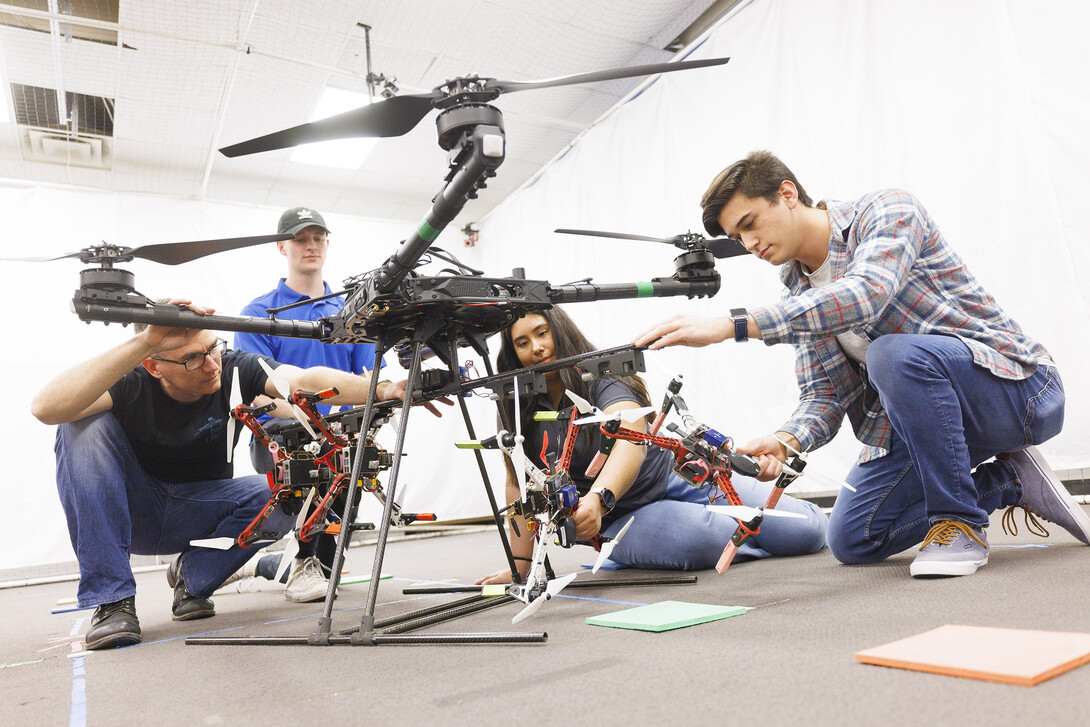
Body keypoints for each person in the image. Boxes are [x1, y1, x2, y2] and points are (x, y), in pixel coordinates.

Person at [635, 150, 1089, 578]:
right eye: (737, 237)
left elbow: (866, 295)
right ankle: (1011, 479)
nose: (749, 243)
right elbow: (825, 395)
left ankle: (961, 524)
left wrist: (732, 324)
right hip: (934, 427)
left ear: (788, 194)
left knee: (891, 352)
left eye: (750, 223)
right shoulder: (798, 292)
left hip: (1021, 390)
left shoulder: (886, 211)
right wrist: (785, 439)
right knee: (853, 537)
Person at [31, 300, 410, 650]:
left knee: (290, 484)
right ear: (153, 364)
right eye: (193, 359)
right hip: (134, 513)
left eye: (214, 348)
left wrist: (384, 389)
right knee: (78, 425)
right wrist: (145, 340)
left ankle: (192, 578)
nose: (212, 365)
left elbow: (305, 381)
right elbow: (46, 407)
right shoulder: (131, 379)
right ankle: (112, 602)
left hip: (198, 509)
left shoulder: (232, 369)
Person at [476, 306, 827, 586]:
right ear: (513, 353)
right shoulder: (515, 406)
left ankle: (752, 540)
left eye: (542, 333)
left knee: (806, 532)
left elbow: (629, 437)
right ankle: (640, 548)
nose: (536, 348)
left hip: (678, 478)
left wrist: (599, 499)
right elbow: (516, 483)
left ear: (560, 332)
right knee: (710, 537)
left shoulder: (599, 376)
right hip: (621, 519)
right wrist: (520, 566)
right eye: (522, 343)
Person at [233, 207, 381, 603]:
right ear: (282, 246)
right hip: (281, 435)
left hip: (340, 435)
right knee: (316, 452)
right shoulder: (258, 314)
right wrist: (314, 423)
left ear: (327, 244)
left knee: (358, 459)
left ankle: (272, 564)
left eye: (318, 237)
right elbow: (258, 397)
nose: (310, 245)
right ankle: (300, 562)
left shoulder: (351, 313)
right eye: (301, 238)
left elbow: (367, 383)